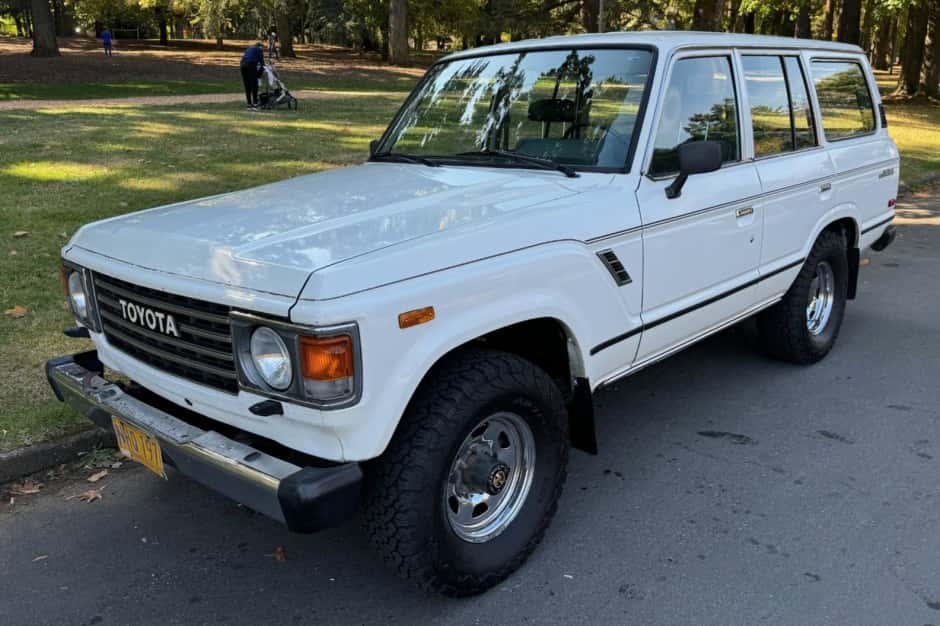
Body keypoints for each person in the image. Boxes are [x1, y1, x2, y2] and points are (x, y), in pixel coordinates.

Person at [240, 42, 265, 108]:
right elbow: (262, 63)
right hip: (251, 65)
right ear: (260, 47)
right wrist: (259, 75)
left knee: (247, 85)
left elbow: (243, 59)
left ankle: (249, 103)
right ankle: (255, 103)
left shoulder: (249, 48)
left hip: (243, 66)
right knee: (254, 85)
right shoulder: (259, 49)